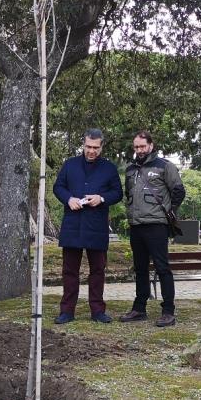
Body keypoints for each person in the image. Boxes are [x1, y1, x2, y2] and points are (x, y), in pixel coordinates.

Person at [52, 128, 123, 324]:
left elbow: (118, 193)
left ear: (101, 147)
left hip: (97, 226)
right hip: (72, 226)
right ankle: (67, 311)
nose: (91, 151)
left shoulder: (109, 168)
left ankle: (98, 311)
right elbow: (58, 187)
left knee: (98, 271)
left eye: (95, 147)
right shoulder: (70, 165)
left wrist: (101, 198)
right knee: (69, 271)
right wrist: (68, 199)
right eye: (88, 147)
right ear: (83, 144)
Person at [120, 130, 185, 327]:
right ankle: (139, 308)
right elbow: (128, 194)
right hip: (136, 225)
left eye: (142, 146)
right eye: (136, 147)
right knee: (140, 268)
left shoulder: (165, 166)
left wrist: (168, 210)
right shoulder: (130, 169)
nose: (139, 150)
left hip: (157, 225)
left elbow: (179, 191)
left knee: (162, 268)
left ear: (150, 145)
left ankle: (168, 311)